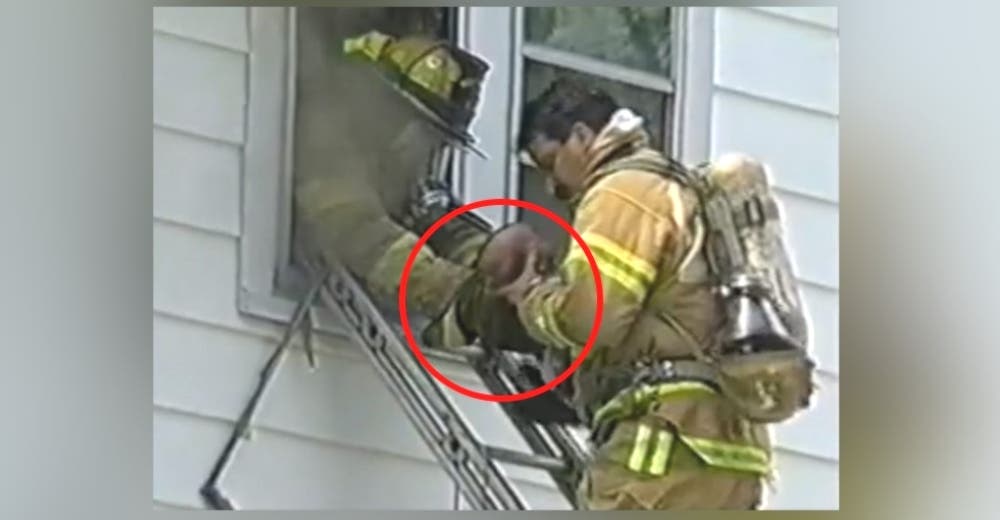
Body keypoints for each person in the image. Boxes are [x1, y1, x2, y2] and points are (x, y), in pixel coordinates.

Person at [494, 78, 794, 510]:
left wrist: (533, 299)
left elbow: (592, 317)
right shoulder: (671, 190)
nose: (552, 188)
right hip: (721, 451)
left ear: (581, 136)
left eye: (551, 163)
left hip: (662, 453)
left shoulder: (623, 191)